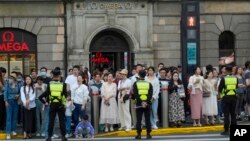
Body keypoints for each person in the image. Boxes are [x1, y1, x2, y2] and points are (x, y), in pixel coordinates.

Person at [39, 67, 68, 141]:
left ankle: (49, 137)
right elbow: (66, 96)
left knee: (51, 121)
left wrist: (45, 103)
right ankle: (63, 137)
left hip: (52, 105)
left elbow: (41, 97)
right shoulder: (63, 84)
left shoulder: (49, 84)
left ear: (53, 76)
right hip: (61, 105)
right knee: (62, 121)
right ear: (59, 76)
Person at [133, 70, 153, 139]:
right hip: (147, 104)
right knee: (148, 119)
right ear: (145, 75)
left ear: (139, 75)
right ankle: (148, 134)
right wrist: (145, 102)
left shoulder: (136, 83)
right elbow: (150, 95)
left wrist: (141, 102)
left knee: (139, 119)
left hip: (139, 103)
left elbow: (135, 94)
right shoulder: (149, 84)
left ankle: (139, 134)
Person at [218, 65, 238, 135]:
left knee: (226, 114)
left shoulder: (224, 78)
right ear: (231, 71)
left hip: (226, 98)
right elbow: (236, 87)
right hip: (234, 97)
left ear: (226, 71)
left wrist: (223, 93)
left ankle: (226, 130)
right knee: (233, 114)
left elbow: (220, 88)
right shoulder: (236, 78)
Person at [4, 72, 22, 140]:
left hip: (16, 102)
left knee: (14, 117)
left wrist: (18, 95)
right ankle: (8, 133)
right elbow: (5, 92)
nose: (11, 78)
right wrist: (5, 101)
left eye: (12, 77)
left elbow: (21, 91)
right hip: (9, 101)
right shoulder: (7, 84)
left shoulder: (18, 84)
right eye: (10, 77)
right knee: (9, 118)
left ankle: (13, 130)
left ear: (15, 78)